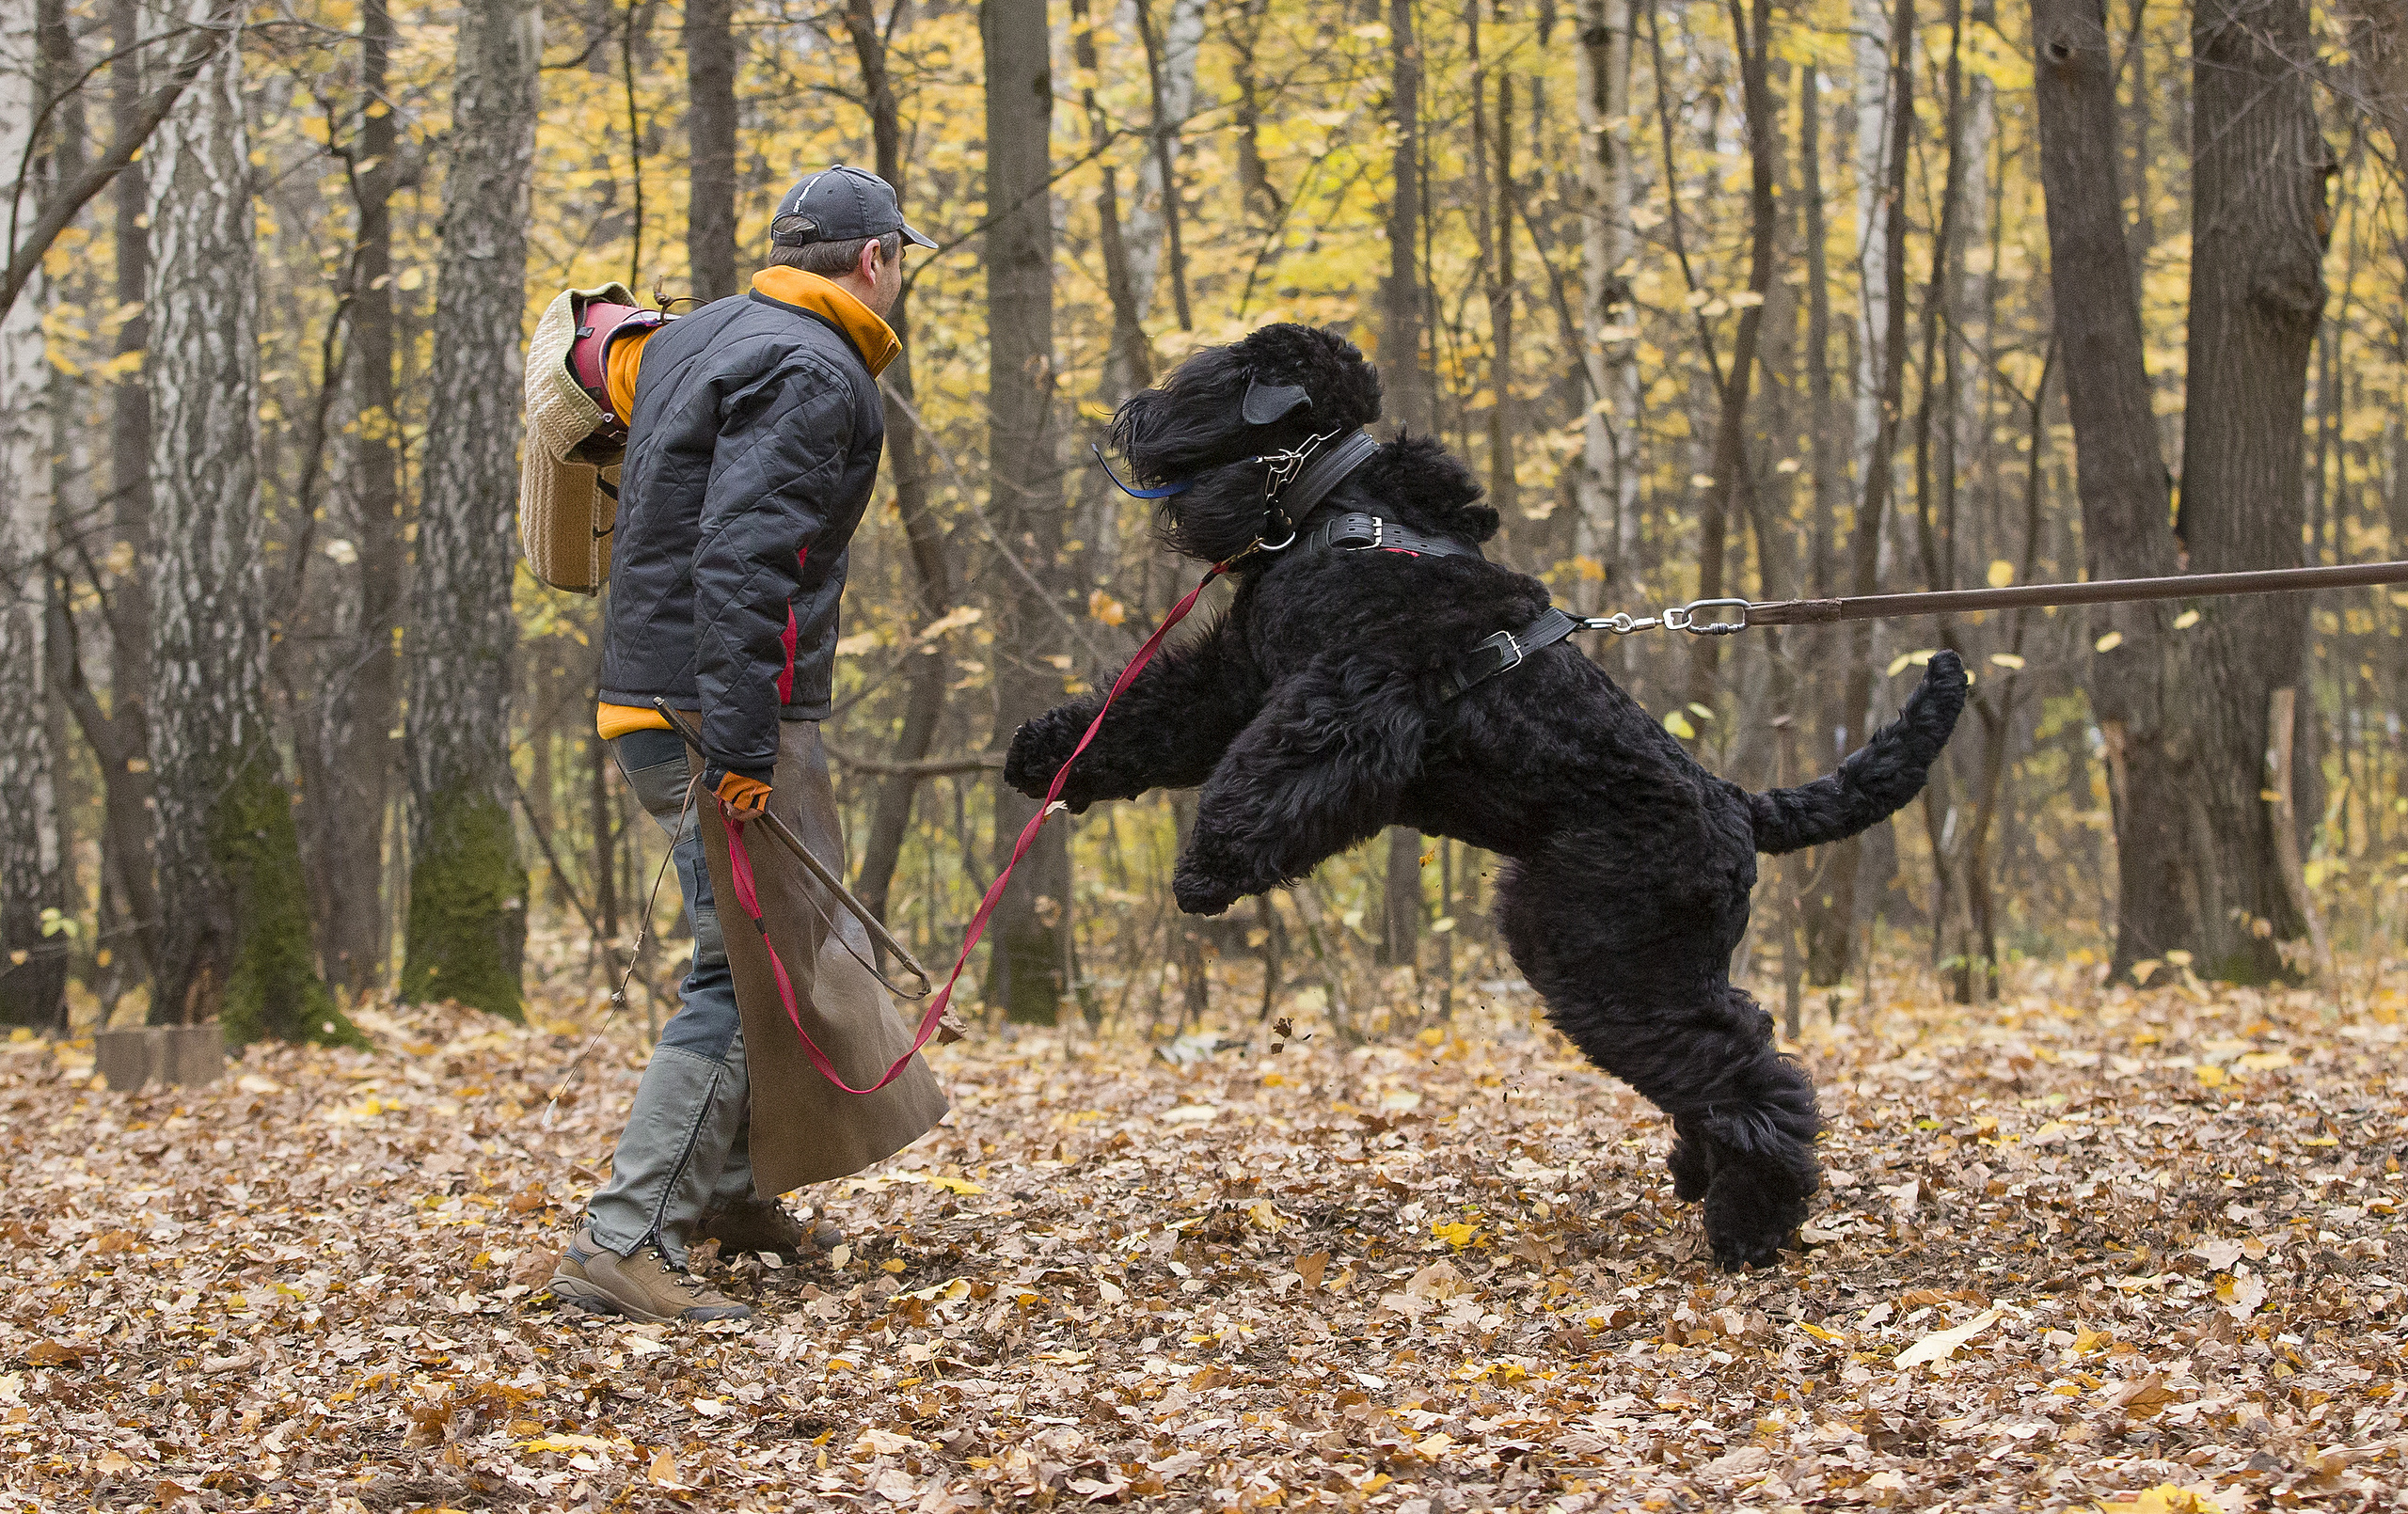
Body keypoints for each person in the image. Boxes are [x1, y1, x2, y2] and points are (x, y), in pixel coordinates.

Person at [549, 166, 950, 1324]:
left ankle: (729, 1194)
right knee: (740, 971)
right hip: (708, 707)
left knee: (769, 949)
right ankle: (627, 1237)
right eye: (897, 259)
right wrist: (740, 743)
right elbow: (741, 557)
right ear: (873, 259)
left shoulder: (707, 335)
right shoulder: (815, 367)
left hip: (657, 690)